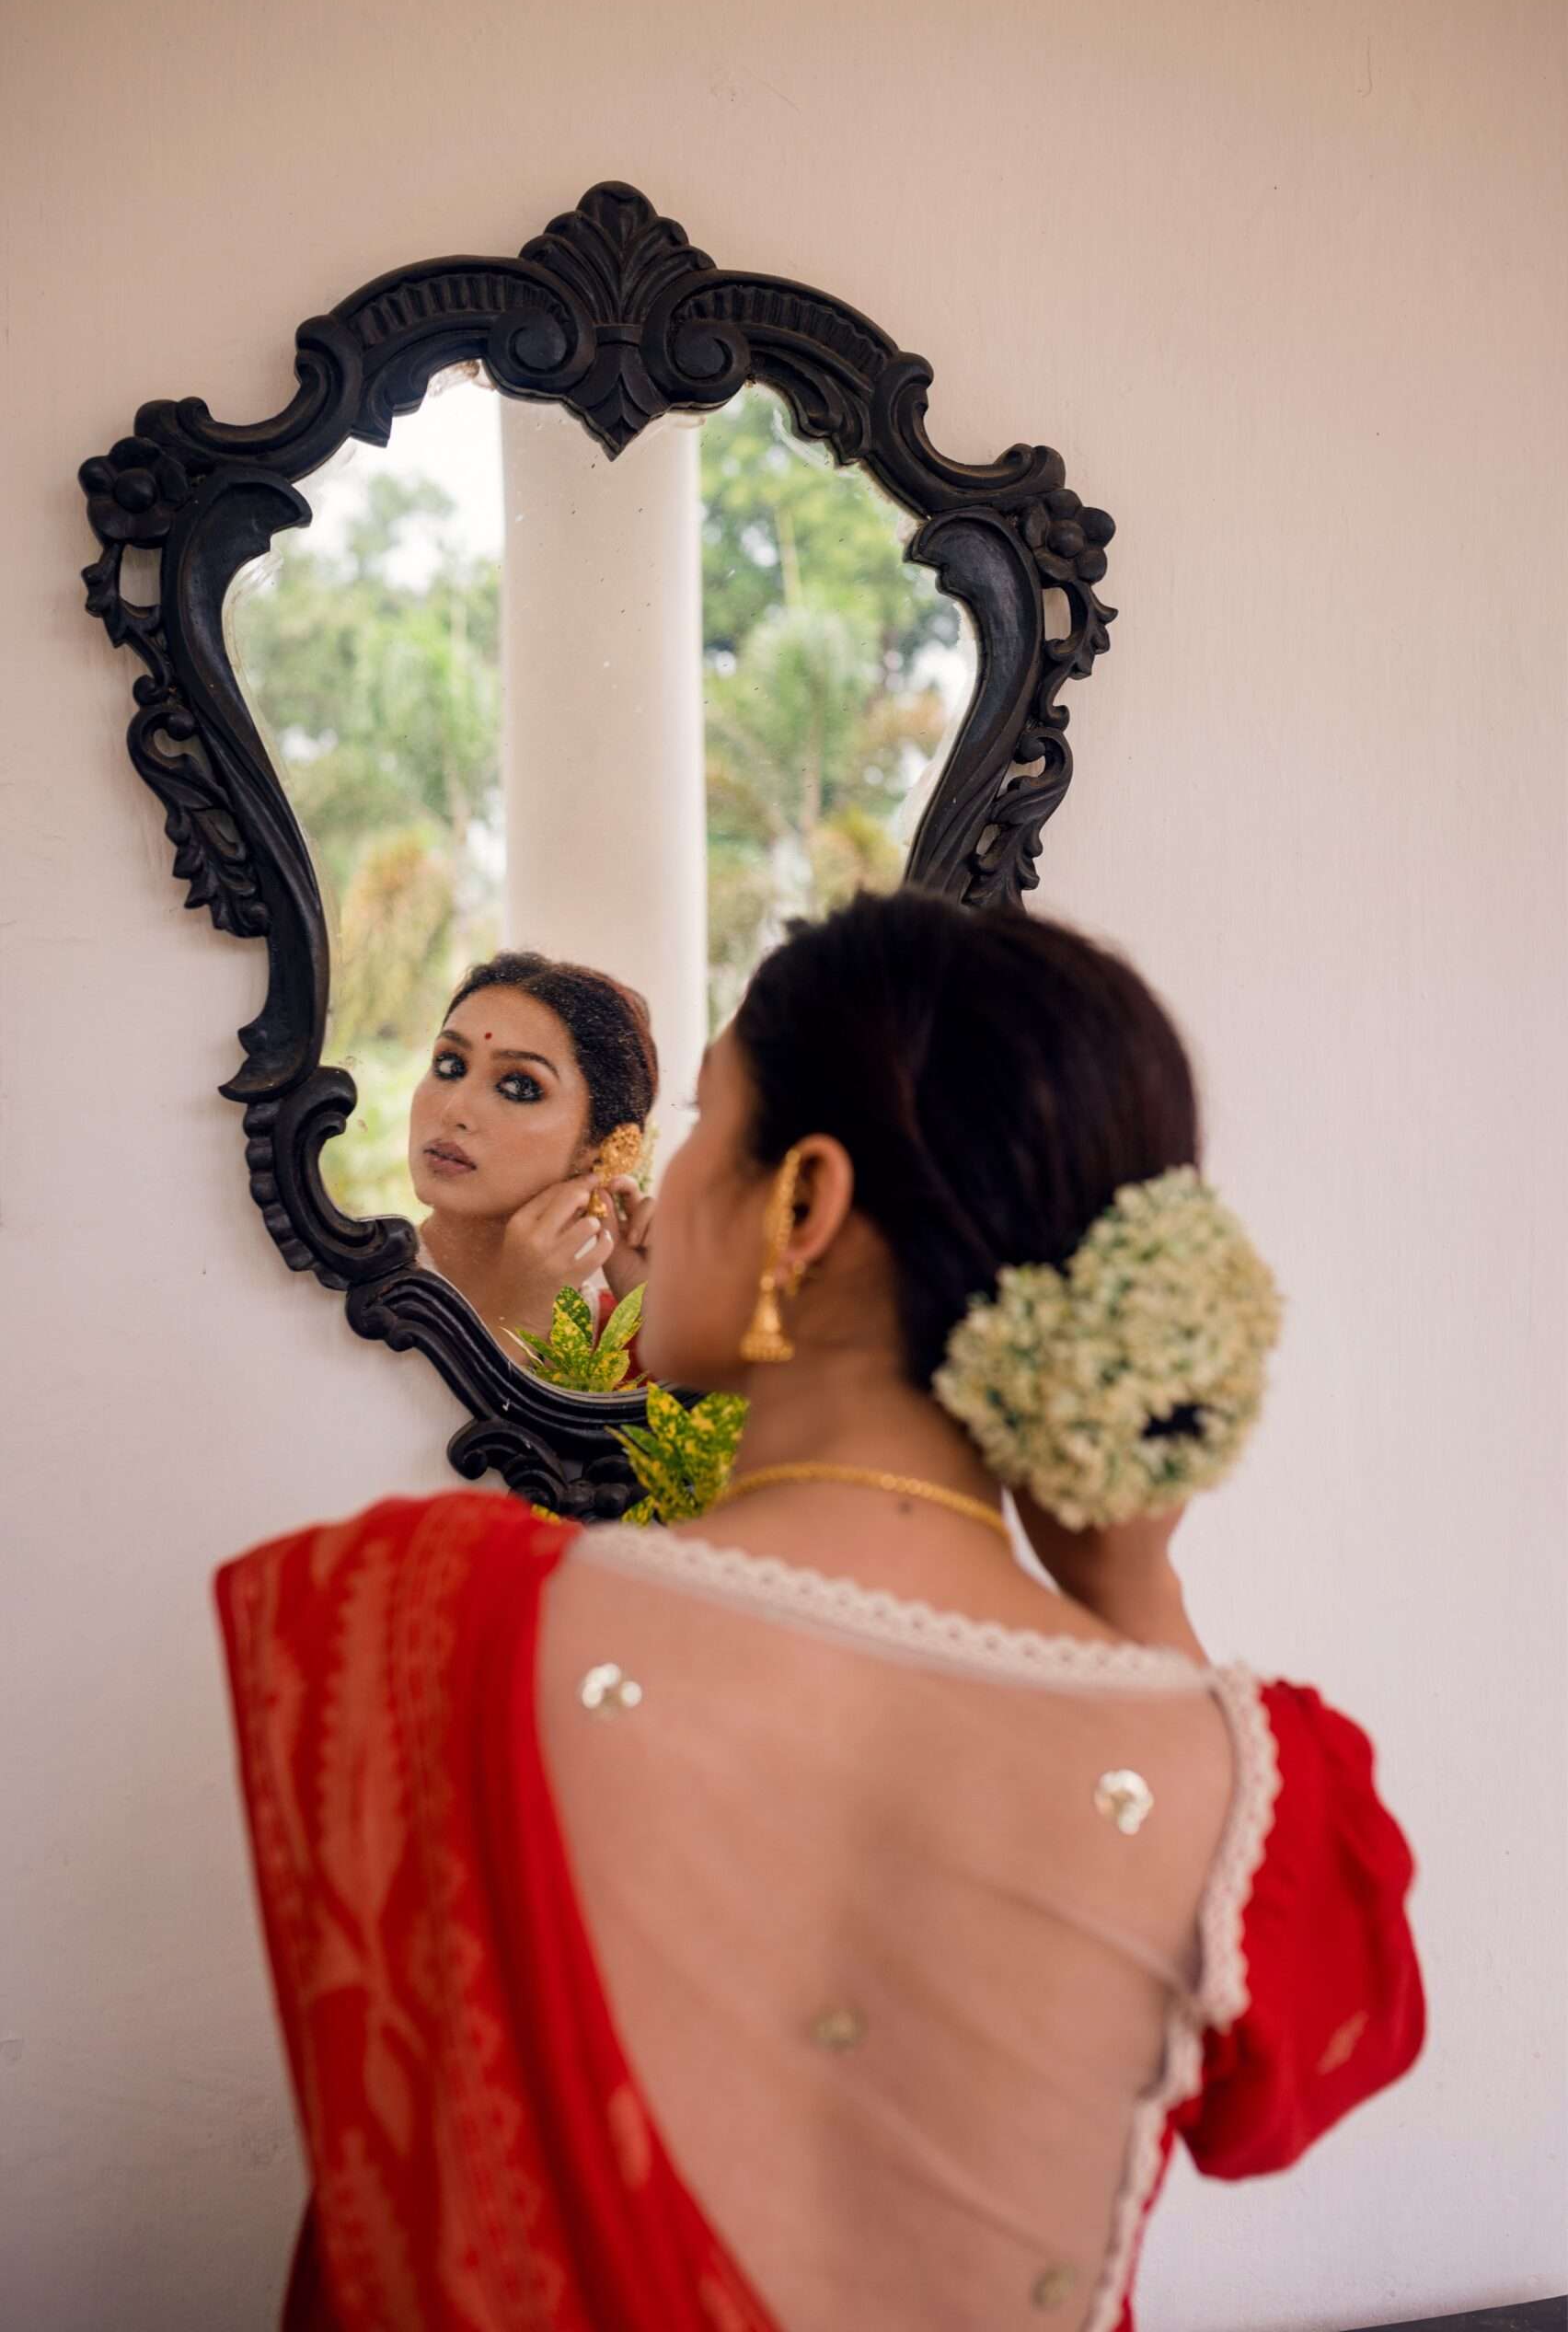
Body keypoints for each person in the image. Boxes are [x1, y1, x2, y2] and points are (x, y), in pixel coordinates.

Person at [218, 890, 1424, 2331]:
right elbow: (1281, 2102)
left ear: (802, 1206)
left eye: (703, 1126)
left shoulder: (428, 1617)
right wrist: (1131, 1587)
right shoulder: (1240, 1780)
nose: (663, 1190)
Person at [408, 950, 658, 1359]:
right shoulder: (325, 1290)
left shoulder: (621, 1352)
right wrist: (512, 1327)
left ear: (605, 1146)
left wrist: (658, 1318)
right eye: (450, 1065)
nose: (454, 1111)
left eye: (519, 1087)